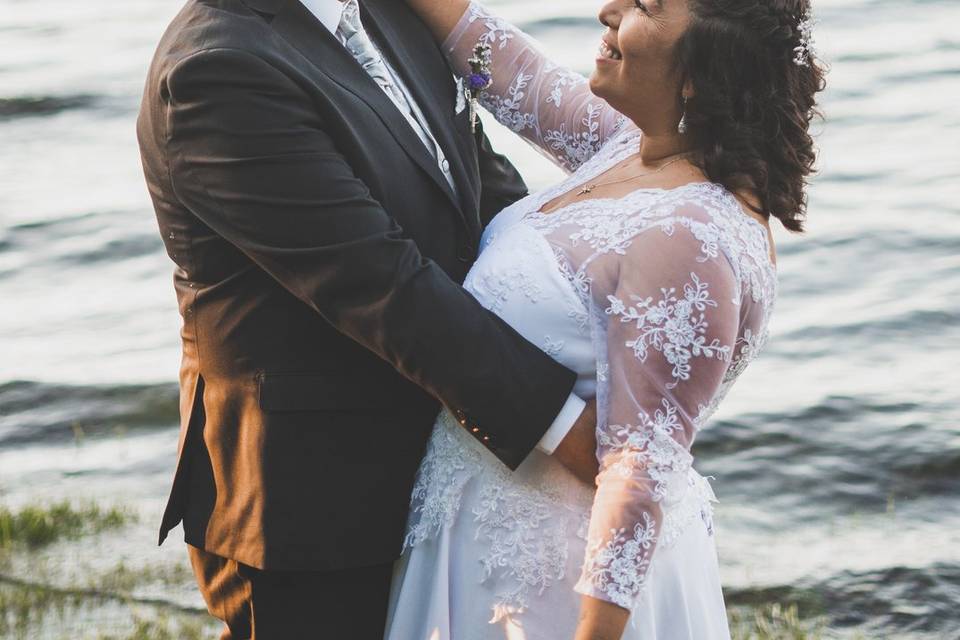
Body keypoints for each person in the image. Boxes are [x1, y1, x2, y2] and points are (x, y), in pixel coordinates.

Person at [135, 0, 603, 636]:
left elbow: (487, 201)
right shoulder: (215, 70)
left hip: (443, 461)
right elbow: (384, 289)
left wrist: (589, 343)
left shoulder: (392, 12)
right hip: (311, 503)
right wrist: (576, 433)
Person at [386, 0, 825, 637]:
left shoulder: (689, 236)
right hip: (480, 535)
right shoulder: (629, 147)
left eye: (644, 6)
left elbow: (637, 466)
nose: (608, 10)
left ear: (701, 72)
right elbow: (498, 60)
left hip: (551, 584)